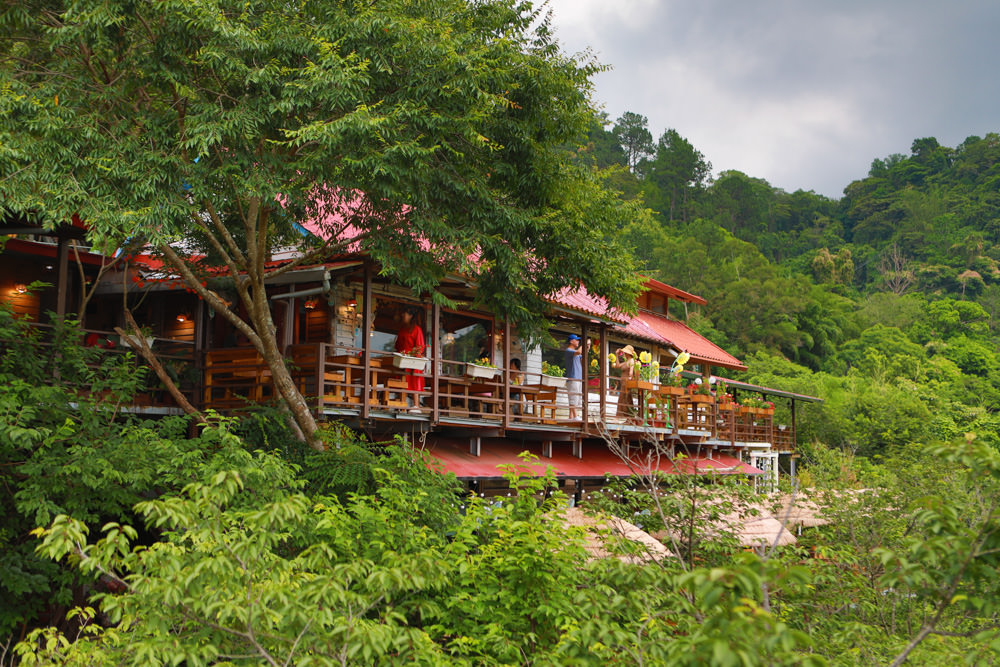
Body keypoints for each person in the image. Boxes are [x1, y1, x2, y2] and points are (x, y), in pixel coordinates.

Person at [394, 306, 425, 398]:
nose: (403, 315)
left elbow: (420, 347)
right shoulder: (402, 329)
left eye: (405, 313)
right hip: (402, 358)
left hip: (412, 359)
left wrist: (411, 354)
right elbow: (397, 345)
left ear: (411, 316)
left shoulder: (416, 329)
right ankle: (401, 403)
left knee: (414, 380)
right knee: (401, 381)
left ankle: (416, 405)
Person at [564, 334, 584, 420]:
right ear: (571, 341)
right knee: (573, 396)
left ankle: (571, 417)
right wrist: (584, 345)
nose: (578, 342)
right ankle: (575, 416)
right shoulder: (569, 350)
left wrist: (587, 347)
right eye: (577, 340)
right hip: (572, 377)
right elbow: (579, 352)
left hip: (578, 377)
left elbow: (582, 357)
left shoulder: (575, 352)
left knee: (577, 397)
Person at [615, 344, 638, 418]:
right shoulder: (626, 361)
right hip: (623, 383)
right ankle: (626, 415)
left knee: (625, 398)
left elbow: (631, 372)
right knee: (623, 398)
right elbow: (618, 366)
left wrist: (630, 377)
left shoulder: (631, 360)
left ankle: (626, 415)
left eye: (625, 352)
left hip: (626, 382)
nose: (624, 354)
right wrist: (617, 355)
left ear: (628, 353)